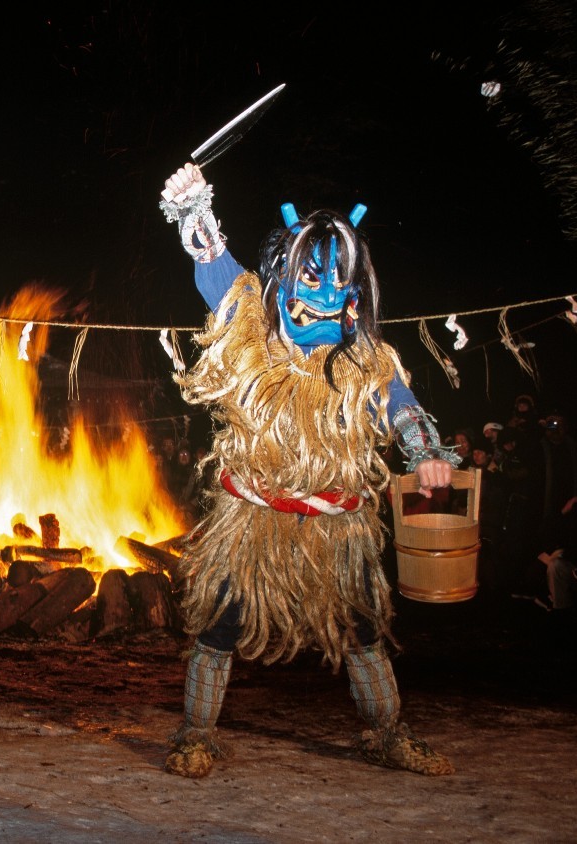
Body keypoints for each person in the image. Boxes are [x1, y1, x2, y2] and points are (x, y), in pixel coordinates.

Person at [159, 164, 459, 779]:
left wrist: (425, 450)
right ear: (285, 276)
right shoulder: (251, 328)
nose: (326, 294)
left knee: (363, 628)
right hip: (252, 525)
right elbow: (215, 267)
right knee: (220, 624)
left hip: (336, 529)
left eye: (340, 281)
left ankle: (388, 733)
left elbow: (400, 404)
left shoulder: (364, 360)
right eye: (313, 277)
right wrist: (194, 209)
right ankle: (196, 734)